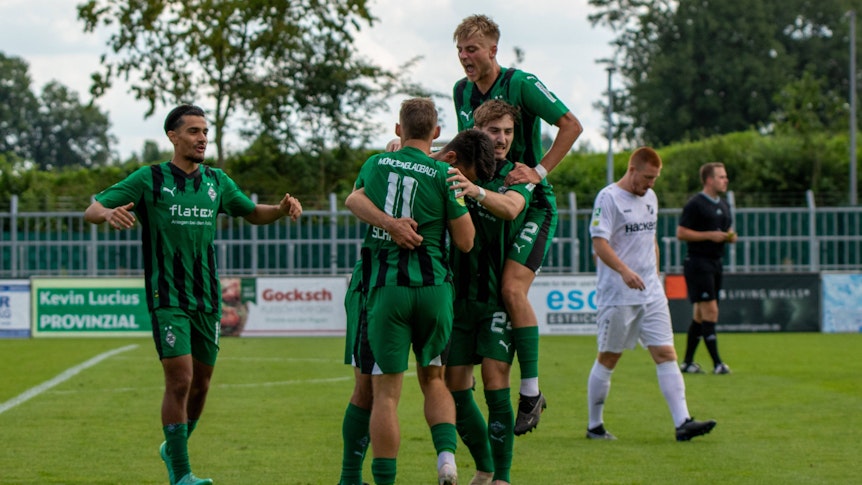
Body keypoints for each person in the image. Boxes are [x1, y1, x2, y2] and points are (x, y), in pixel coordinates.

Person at [84, 105, 302, 485]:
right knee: (180, 380)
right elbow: (93, 207)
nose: (202, 138)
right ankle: (182, 474)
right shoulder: (149, 179)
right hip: (167, 297)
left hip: (207, 298)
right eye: (194, 131)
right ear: (173, 136)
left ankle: (173, 447)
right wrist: (106, 215)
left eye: (205, 131)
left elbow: (251, 212)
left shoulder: (217, 181)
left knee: (201, 384)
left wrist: (280, 211)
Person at [337, 127, 494, 485]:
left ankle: (354, 478)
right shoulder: (444, 176)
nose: (464, 184)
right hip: (432, 289)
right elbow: (466, 241)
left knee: (378, 391)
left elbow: (352, 199)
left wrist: (389, 223)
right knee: (433, 379)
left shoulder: (381, 162)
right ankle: (448, 460)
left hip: (382, 288)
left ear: (399, 128)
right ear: (436, 133)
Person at [452, 14, 584, 434]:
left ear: (493, 50)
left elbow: (571, 124)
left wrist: (539, 172)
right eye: (459, 50)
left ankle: (530, 392)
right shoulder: (461, 92)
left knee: (510, 288)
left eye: (471, 49)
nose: (464, 57)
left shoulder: (522, 83)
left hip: (529, 202)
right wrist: (417, 149)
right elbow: (463, 150)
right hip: (489, 197)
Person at [585, 147, 716, 442]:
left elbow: (651, 239)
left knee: (666, 352)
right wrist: (624, 271)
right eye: (647, 178)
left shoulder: (650, 198)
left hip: (651, 292)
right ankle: (595, 425)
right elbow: (599, 244)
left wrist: (654, 275)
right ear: (632, 170)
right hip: (618, 294)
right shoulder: (608, 198)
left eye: (654, 179)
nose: (650, 184)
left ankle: (683, 422)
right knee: (608, 357)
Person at [444, 100, 533, 485]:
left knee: (497, 380)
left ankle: (503, 478)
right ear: (476, 130)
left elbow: (512, 209)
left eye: (509, 132)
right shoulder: (451, 167)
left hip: (494, 297)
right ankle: (485, 467)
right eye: (494, 131)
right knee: (455, 387)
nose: (502, 140)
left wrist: (474, 190)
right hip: (456, 297)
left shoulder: (519, 174)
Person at [676, 162, 737, 375]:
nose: (725, 180)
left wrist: (730, 235)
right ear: (709, 180)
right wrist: (709, 236)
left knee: (701, 316)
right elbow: (681, 232)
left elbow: (726, 226)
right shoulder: (695, 204)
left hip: (715, 262)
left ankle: (687, 363)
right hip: (698, 263)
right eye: (721, 177)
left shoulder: (724, 203)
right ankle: (718, 364)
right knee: (711, 311)